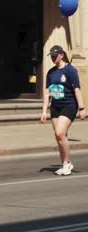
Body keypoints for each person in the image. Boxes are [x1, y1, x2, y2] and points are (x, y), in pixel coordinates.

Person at [41, 45, 85, 176]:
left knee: (60, 133)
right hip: (55, 107)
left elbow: (77, 89)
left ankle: (67, 163)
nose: (53, 58)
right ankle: (65, 163)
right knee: (60, 137)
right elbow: (47, 93)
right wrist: (44, 111)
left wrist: (82, 108)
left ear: (61, 55)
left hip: (69, 105)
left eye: (55, 55)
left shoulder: (70, 70)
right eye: (52, 56)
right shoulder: (51, 72)